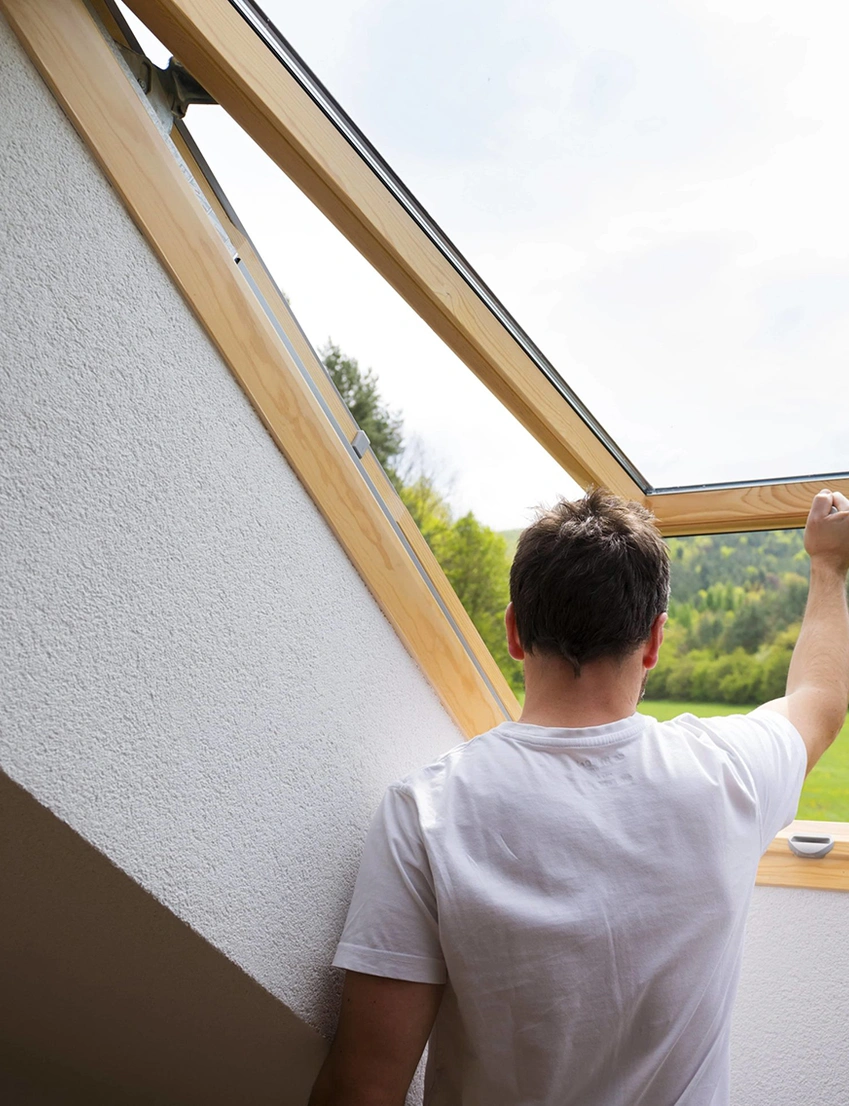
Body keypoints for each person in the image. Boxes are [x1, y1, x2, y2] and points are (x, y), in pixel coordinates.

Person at [309, 488, 849, 1106]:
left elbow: (363, 1087)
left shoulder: (425, 812)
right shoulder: (729, 772)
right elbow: (821, 701)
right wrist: (827, 565)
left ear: (514, 631)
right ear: (654, 641)